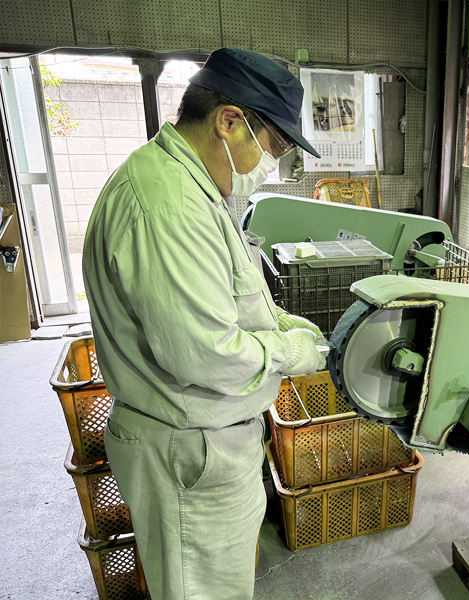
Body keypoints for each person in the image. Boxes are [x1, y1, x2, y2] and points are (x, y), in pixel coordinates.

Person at [82, 48, 327, 600]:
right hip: (188, 452)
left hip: (209, 442)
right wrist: (292, 353)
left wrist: (285, 323)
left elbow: (225, 299)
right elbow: (202, 352)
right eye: (277, 146)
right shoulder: (167, 205)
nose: (275, 163)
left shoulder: (191, 187)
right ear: (230, 121)